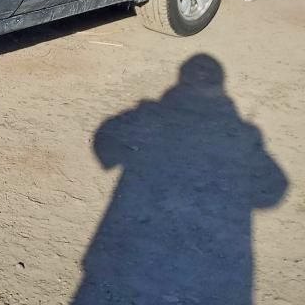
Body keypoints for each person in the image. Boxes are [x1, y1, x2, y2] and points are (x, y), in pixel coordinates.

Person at [73, 53, 287, 305]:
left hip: (139, 245)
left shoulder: (152, 115)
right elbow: (274, 188)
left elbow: (105, 146)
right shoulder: (243, 133)